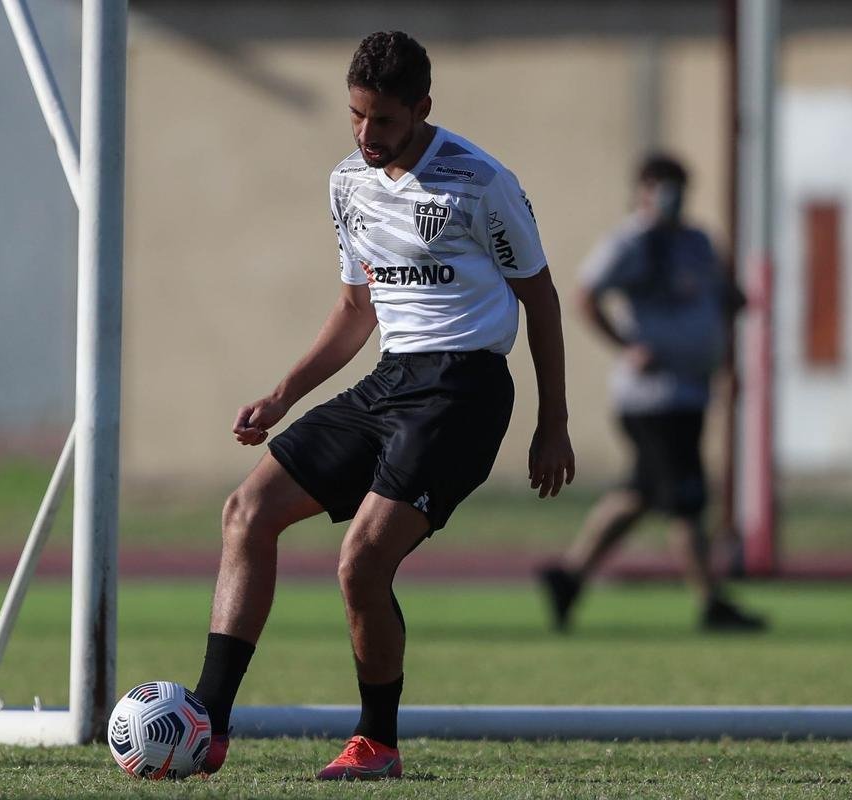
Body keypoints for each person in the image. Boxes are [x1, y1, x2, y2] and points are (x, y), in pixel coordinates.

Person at [192, 30, 574, 780]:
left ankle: (377, 743)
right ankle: (207, 723)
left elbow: (542, 297)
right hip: (390, 381)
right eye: (356, 117)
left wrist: (552, 421)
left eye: (385, 122)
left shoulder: (479, 181)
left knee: (361, 560)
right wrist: (281, 394)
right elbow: (355, 309)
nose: (367, 136)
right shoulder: (348, 183)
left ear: (422, 109)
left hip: (462, 392)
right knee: (246, 512)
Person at [537, 154, 765, 633]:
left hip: (691, 390)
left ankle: (570, 577)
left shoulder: (698, 241)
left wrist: (727, 345)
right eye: (662, 185)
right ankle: (711, 601)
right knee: (686, 498)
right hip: (653, 396)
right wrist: (627, 346)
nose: (671, 194)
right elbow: (585, 294)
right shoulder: (632, 242)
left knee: (640, 494)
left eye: (678, 185)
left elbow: (719, 297)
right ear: (643, 189)